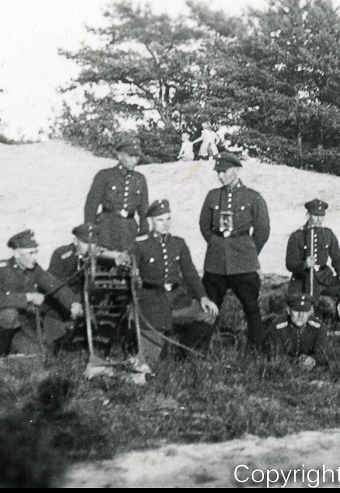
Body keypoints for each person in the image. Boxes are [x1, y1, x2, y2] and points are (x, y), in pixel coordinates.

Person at [129, 200, 219, 366]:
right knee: (151, 361)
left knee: (209, 314)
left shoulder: (178, 243)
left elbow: (190, 273)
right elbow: (130, 274)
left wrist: (203, 298)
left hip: (178, 299)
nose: (165, 224)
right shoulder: (139, 246)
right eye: (160, 220)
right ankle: (160, 345)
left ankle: (186, 352)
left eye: (168, 219)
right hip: (152, 303)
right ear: (150, 221)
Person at [199, 152, 270, 351]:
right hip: (215, 262)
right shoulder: (213, 196)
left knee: (251, 307)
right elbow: (204, 226)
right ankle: (199, 346)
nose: (220, 176)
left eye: (224, 171)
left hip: (244, 263)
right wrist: (216, 244)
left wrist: (248, 251)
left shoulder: (253, 197)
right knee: (209, 307)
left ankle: (257, 349)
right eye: (218, 172)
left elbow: (262, 229)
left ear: (237, 170)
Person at [0, 230, 82, 356]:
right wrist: (28, 297)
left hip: (19, 325)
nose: (35, 257)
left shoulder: (34, 269)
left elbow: (54, 285)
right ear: (16, 253)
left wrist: (73, 303)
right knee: (9, 314)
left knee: (39, 353)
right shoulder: (0, 270)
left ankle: (10, 349)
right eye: (30, 253)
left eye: (36, 252)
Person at [45, 223, 129, 349]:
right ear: (75, 241)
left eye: (94, 242)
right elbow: (53, 286)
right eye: (85, 242)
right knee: (56, 334)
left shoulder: (103, 253)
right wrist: (72, 303)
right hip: (63, 302)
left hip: (90, 300)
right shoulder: (62, 255)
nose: (91, 247)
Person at [285, 199, 340, 324]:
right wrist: (304, 264)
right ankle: (309, 324)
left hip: (324, 277)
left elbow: (337, 258)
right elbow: (290, 264)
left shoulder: (328, 234)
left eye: (322, 216)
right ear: (308, 215)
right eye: (315, 215)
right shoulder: (297, 236)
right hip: (303, 278)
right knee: (306, 301)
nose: (318, 220)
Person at [84, 137, 149, 251]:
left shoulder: (140, 179)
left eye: (136, 157)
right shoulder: (104, 175)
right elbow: (91, 206)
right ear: (119, 156)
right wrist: (90, 232)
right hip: (106, 230)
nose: (134, 160)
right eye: (131, 156)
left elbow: (143, 209)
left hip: (130, 231)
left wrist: (144, 230)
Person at [264, 293, 328, 369]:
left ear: (310, 312)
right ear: (288, 311)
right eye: (296, 310)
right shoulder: (277, 327)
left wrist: (313, 360)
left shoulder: (318, 327)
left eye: (305, 311)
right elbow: (274, 356)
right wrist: (296, 362)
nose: (301, 315)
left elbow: (322, 353)